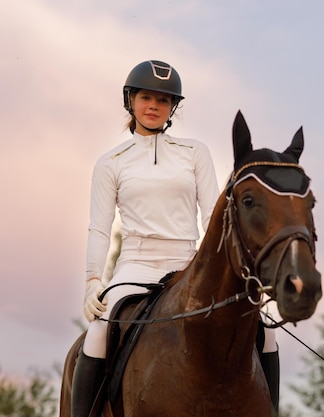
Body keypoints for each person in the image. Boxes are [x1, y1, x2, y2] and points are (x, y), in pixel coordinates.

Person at [72, 60, 280, 417]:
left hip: (188, 263)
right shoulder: (111, 162)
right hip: (136, 265)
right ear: (131, 101)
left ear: (172, 108)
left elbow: (216, 220)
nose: (153, 106)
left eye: (163, 100)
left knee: (264, 329)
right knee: (98, 331)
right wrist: (93, 282)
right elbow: (100, 227)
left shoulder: (194, 152)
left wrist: (230, 269)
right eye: (146, 97)